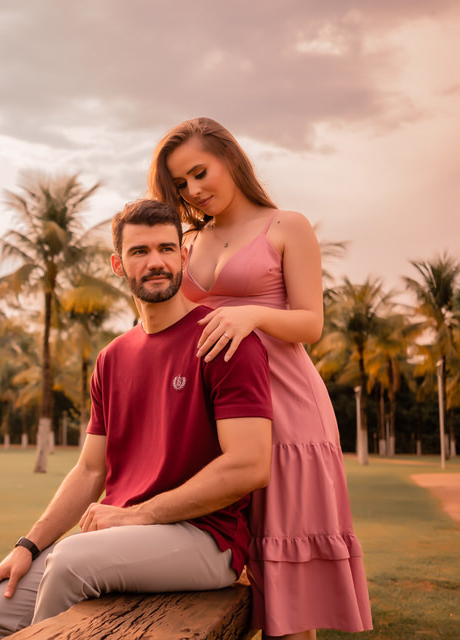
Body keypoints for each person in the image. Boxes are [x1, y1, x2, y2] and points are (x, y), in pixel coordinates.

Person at [0, 199, 274, 640]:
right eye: (139, 252)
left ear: (183, 256)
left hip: (206, 538)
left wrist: (141, 516)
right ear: (118, 264)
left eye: (166, 249)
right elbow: (91, 469)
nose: (156, 262)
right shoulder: (112, 357)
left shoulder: (223, 338)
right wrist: (28, 545)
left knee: (72, 560)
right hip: (126, 536)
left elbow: (250, 464)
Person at [148, 117, 373, 640]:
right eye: (181, 184)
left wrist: (251, 314)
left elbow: (310, 323)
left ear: (231, 158)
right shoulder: (187, 241)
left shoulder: (286, 226)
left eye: (201, 172)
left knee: (288, 601)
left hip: (289, 414)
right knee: (216, 574)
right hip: (218, 419)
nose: (194, 191)